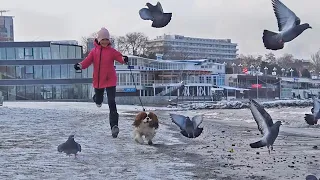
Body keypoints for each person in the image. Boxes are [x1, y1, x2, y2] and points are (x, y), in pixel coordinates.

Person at [74, 27, 128, 138]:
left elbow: (119, 57)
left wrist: (124, 59)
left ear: (109, 41)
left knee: (112, 102)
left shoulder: (112, 51)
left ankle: (114, 127)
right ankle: (96, 99)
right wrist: (80, 65)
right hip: (98, 81)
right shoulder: (94, 52)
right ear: (98, 40)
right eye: (102, 39)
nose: (104, 42)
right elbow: (87, 61)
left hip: (110, 80)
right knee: (98, 99)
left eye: (106, 40)